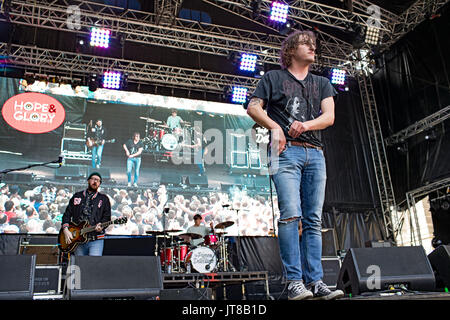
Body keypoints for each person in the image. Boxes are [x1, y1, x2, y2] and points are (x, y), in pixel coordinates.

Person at [246, 30, 343, 300]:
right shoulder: (273, 78)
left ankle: (316, 282)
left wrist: (306, 125)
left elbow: (330, 116)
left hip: (315, 154)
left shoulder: (322, 82)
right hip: (285, 153)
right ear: (290, 50)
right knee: (290, 214)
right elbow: (253, 108)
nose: (313, 47)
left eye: (314, 43)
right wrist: (276, 127)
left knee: (313, 220)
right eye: (305, 43)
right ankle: (293, 282)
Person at [61, 172, 111, 256]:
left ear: (99, 184)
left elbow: (107, 217)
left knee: (94, 264)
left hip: (96, 239)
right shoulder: (77, 196)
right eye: (93, 179)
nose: (95, 182)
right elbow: (67, 214)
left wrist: (101, 226)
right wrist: (66, 229)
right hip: (78, 238)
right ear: (88, 181)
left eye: (98, 180)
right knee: (80, 265)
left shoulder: (103, 199)